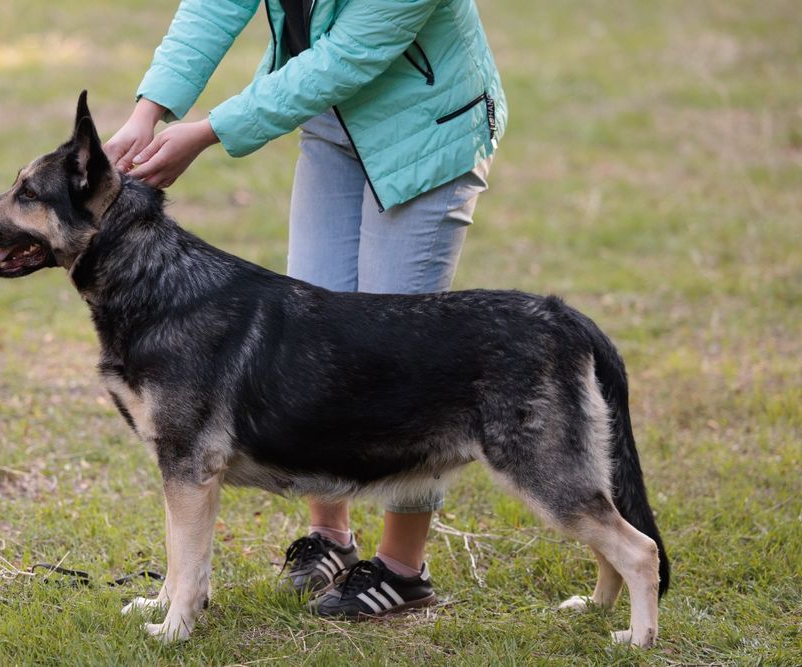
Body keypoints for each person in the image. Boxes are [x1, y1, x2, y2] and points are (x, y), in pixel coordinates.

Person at [104, 0, 507, 619]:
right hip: (330, 125)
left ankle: (403, 569)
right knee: (306, 345)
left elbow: (346, 57)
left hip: (423, 126)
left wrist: (208, 132)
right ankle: (330, 538)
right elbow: (216, 5)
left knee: (400, 358)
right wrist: (149, 110)